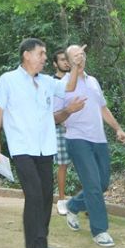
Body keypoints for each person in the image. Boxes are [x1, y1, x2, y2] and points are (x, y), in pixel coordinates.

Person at [0, 38, 85, 248]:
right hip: (22, 146)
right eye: (41, 53)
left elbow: (69, 86)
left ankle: (42, 243)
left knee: (44, 196)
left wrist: (77, 66)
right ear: (27, 54)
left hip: (45, 146)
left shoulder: (46, 81)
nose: (44, 58)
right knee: (33, 195)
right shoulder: (9, 80)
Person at [54, 45, 125, 248]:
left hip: (99, 139)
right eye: (75, 55)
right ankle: (100, 230)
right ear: (67, 62)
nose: (81, 57)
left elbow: (102, 108)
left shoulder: (93, 81)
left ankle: (72, 205)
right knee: (93, 186)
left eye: (82, 53)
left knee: (102, 184)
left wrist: (117, 128)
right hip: (77, 139)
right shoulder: (62, 85)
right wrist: (69, 110)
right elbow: (55, 118)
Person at [51, 49, 72, 215]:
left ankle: (86, 200)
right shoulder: (50, 83)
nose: (66, 62)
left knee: (83, 163)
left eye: (67, 59)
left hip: (77, 127)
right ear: (55, 64)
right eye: (62, 60)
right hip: (58, 127)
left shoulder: (75, 79)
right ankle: (62, 198)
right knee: (63, 164)